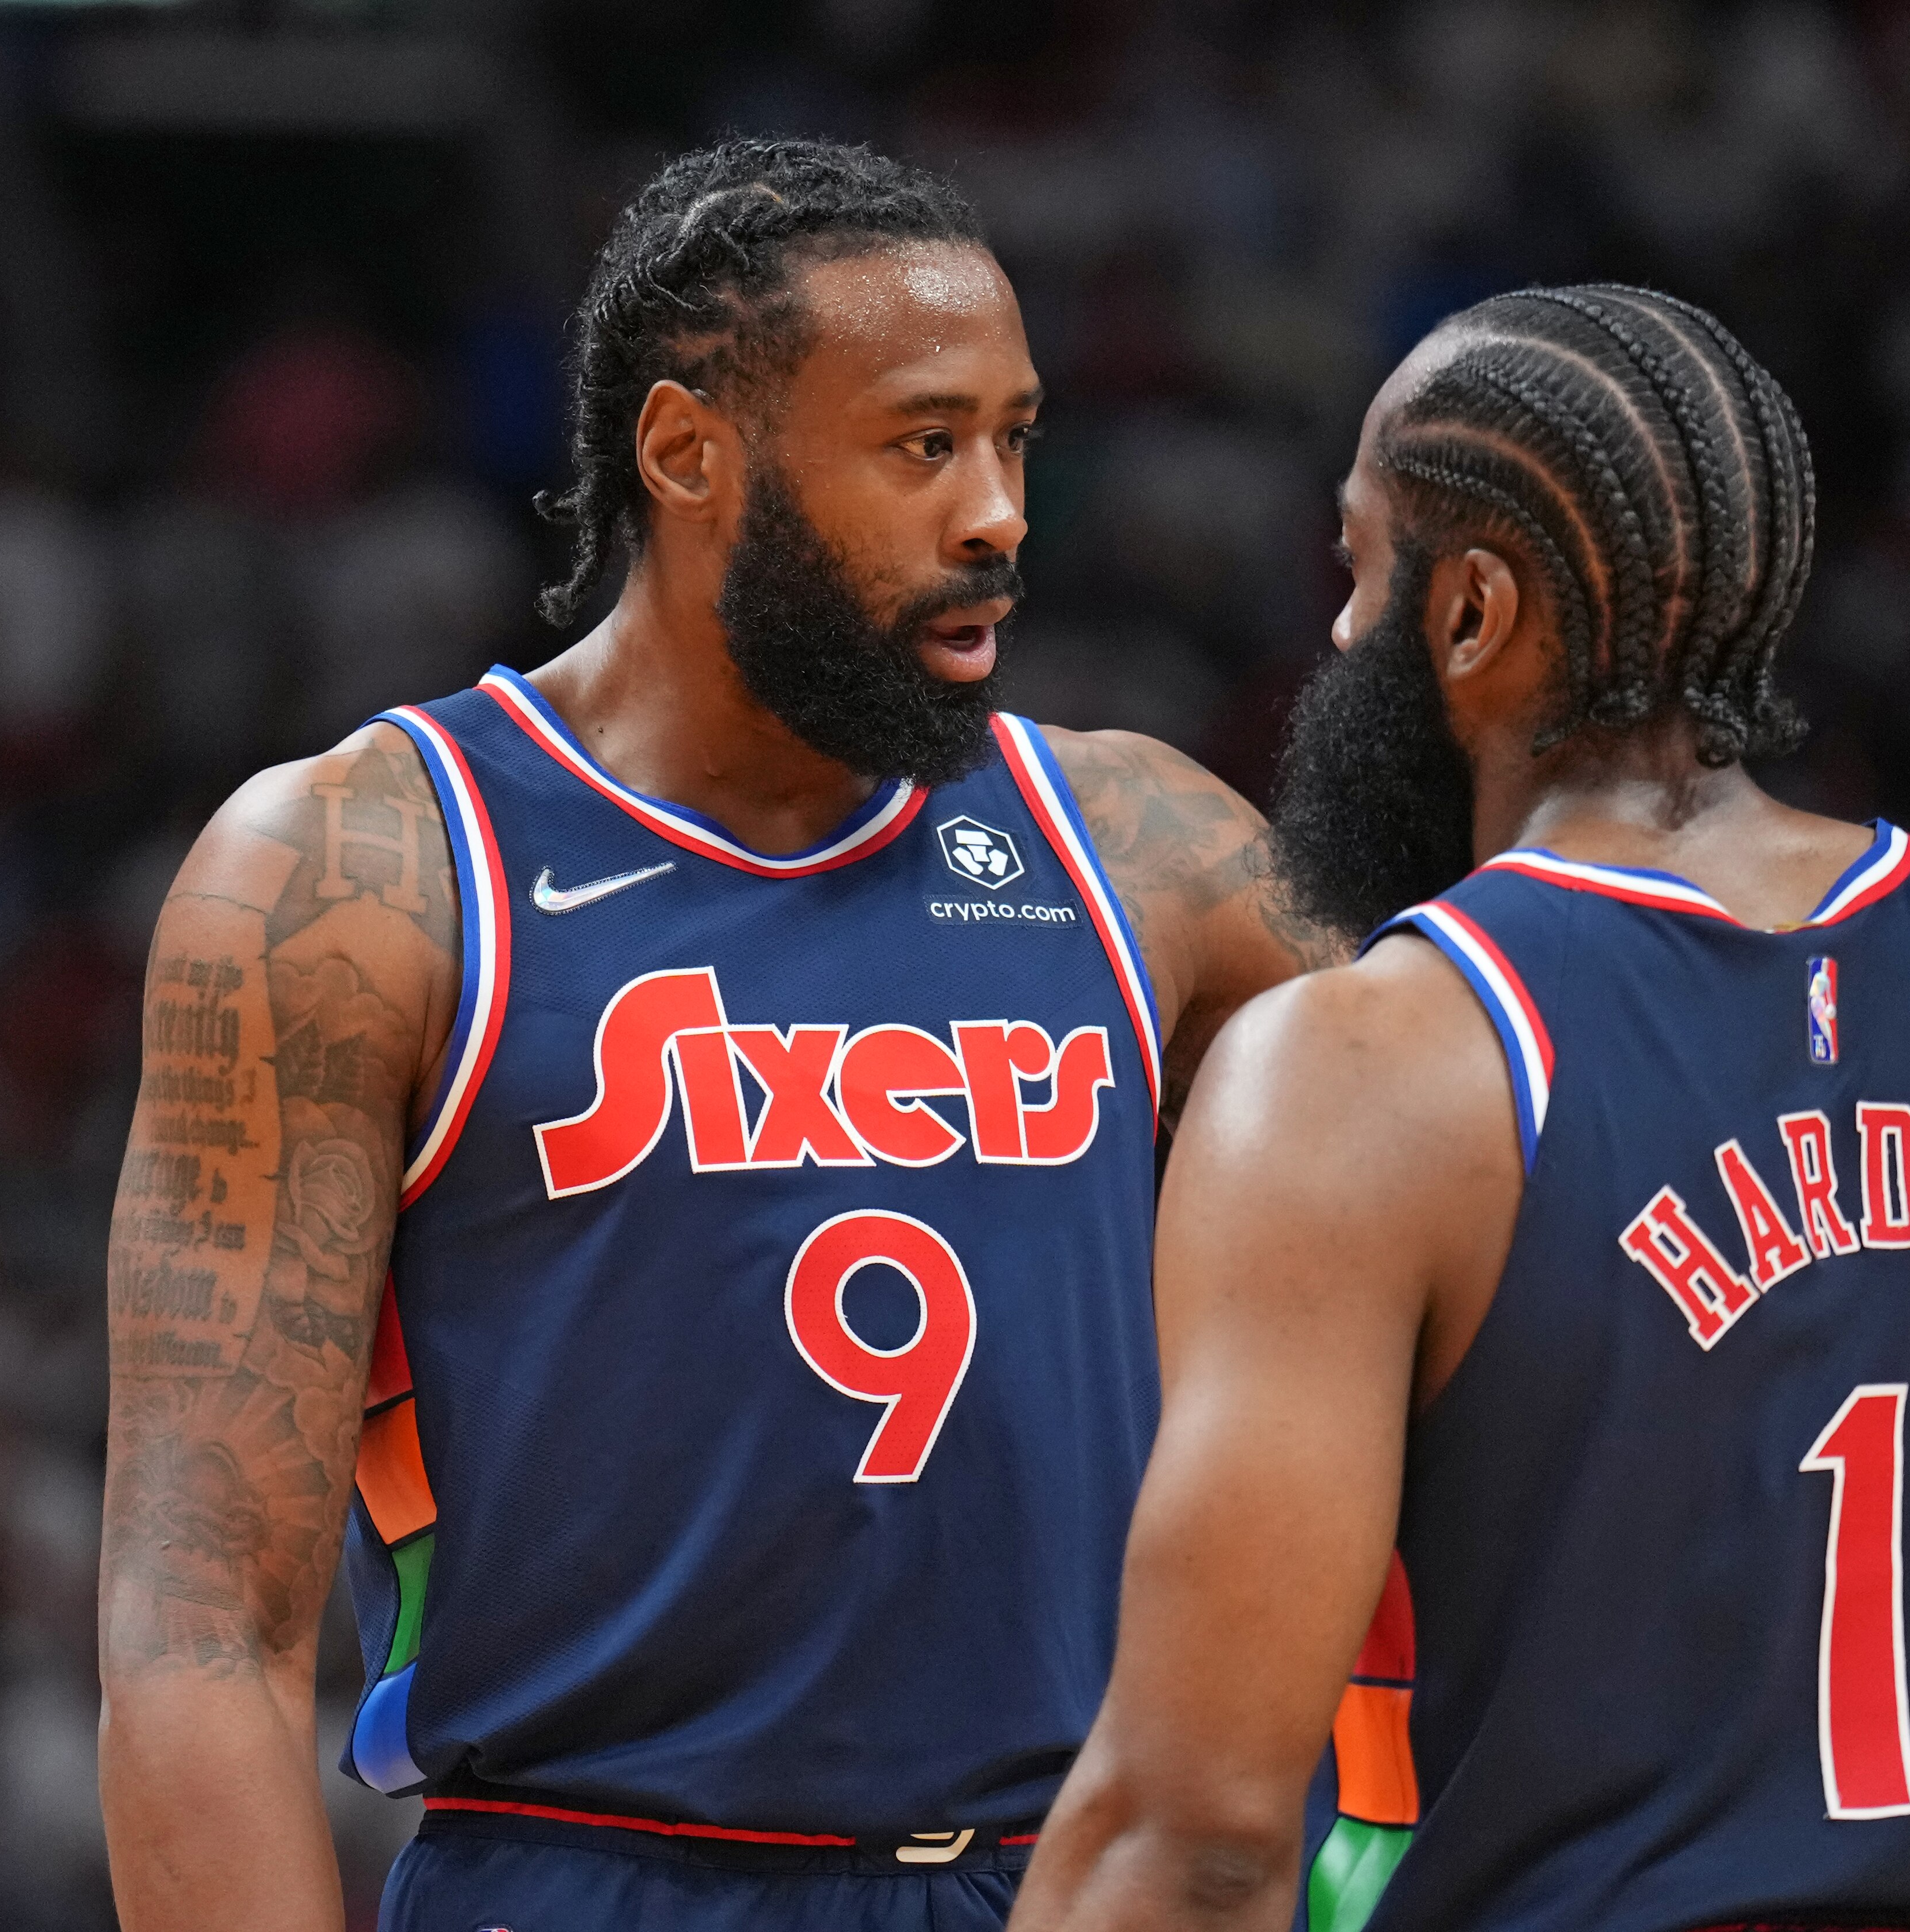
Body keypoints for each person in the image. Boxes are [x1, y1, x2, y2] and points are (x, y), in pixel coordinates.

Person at [94, 138, 1341, 1932]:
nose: (997, 513)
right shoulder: (362, 874)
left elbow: (1532, 1218)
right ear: (690, 453)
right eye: (925, 444)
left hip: (1068, 1882)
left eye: (1016, 439)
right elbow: (198, 1632)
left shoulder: (1158, 856)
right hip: (597, 1874)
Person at [1008, 285, 1910, 1932]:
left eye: (1363, 573)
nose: (1345, 639)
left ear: (1474, 615)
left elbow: (1203, 1836)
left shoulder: (1365, 1069)